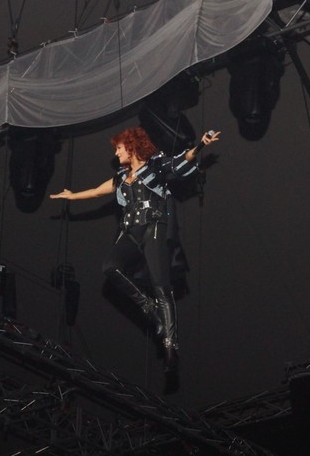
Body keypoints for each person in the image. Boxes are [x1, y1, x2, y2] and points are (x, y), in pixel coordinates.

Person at [50, 125, 220, 391]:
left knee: (161, 286)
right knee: (110, 267)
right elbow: (97, 190)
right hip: (131, 231)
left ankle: (170, 347)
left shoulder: (155, 167)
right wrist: (72, 196)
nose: (116, 153)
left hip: (153, 227)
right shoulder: (121, 177)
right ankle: (149, 308)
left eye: (119, 148)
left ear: (131, 148)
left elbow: (181, 160)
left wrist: (201, 146)